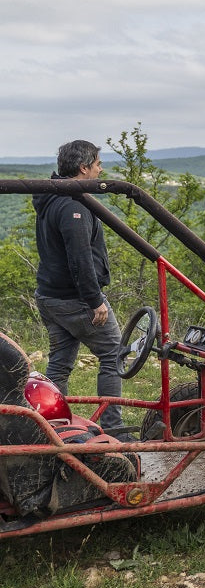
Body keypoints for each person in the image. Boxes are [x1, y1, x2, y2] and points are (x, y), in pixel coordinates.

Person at [32, 140, 129, 436]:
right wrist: (94, 299)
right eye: (98, 163)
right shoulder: (74, 205)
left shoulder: (52, 196)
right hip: (74, 300)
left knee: (60, 363)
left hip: (50, 297)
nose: (101, 169)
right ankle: (114, 429)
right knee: (114, 353)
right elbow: (80, 258)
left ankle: (50, 428)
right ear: (84, 168)